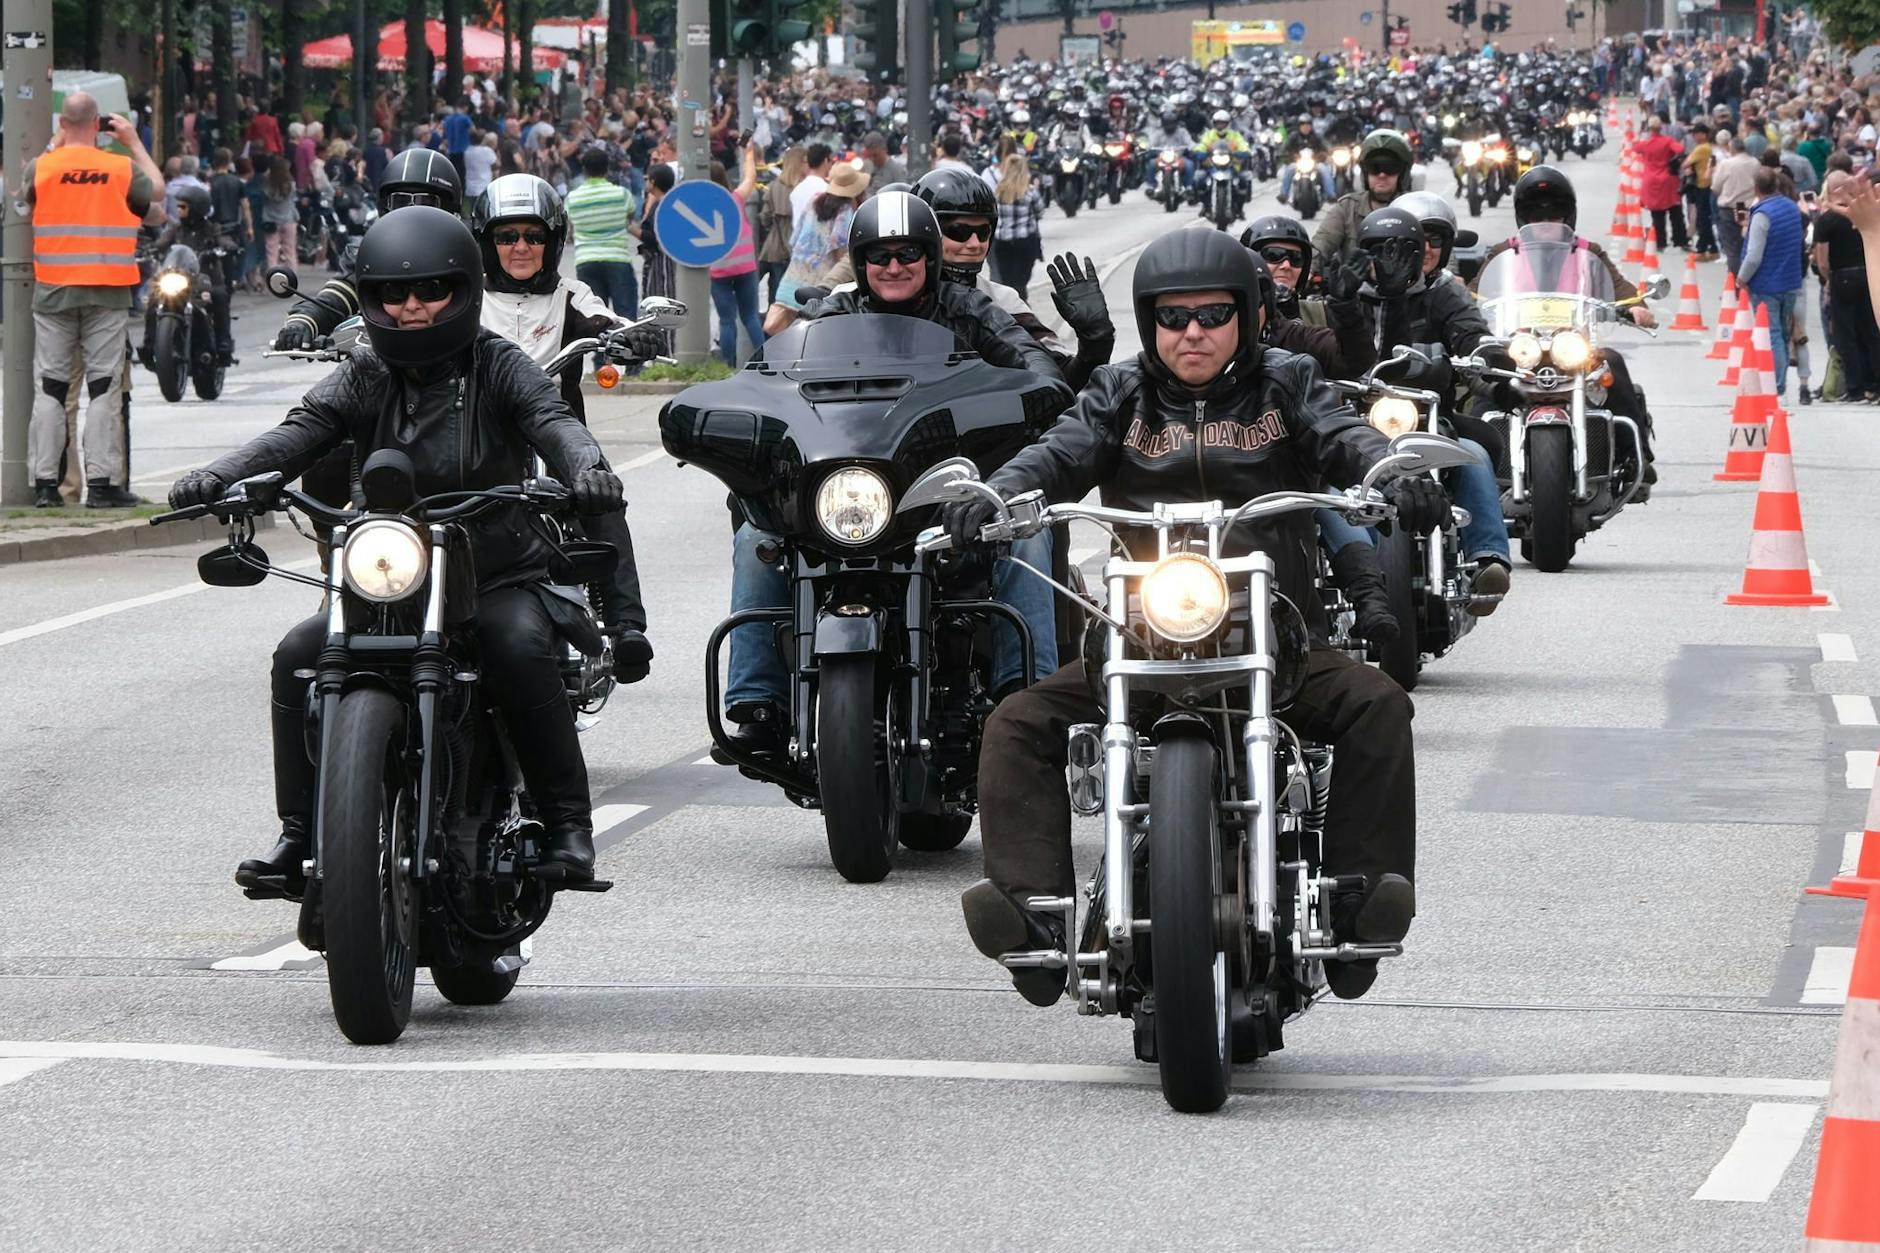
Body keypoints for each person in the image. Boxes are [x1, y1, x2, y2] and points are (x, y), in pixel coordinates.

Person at [948, 229, 1445, 1005]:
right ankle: (1034, 918)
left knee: (1377, 703)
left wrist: (1391, 465)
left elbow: (1343, 435)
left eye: (1213, 314)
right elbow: (1059, 450)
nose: (1193, 332)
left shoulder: (1289, 381)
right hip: (1138, 634)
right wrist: (991, 492)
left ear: (1245, 315)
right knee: (1016, 719)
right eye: (1173, 317)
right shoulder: (1119, 393)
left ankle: (1356, 902)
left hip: (1274, 637)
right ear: (1149, 322)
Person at [167, 207, 625, 890]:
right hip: (392, 573)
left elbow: (554, 422)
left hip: (496, 571)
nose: (411, 307)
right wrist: (223, 477)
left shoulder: (499, 364)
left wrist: (584, 468)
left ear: (464, 290)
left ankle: (567, 824)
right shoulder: (366, 371)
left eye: (430, 290)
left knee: (516, 647)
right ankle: (301, 832)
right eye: (392, 294)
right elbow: (296, 433)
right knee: (299, 653)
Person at [719, 193, 1074, 759]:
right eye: (879, 255)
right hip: (853, 491)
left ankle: (1025, 701)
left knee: (1026, 537)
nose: (893, 266)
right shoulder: (833, 316)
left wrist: (1020, 399)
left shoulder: (972, 310)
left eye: (907, 253)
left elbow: (1038, 371)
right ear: (860, 261)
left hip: (948, 490)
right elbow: (767, 379)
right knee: (756, 539)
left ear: (929, 257)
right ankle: (760, 704)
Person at [470, 174, 659, 682]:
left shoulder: (570, 294)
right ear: (487, 242)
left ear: (552, 242)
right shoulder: (464, 297)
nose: (521, 247)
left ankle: (625, 629)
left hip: (554, 433)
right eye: (507, 237)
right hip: (474, 431)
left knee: (600, 491)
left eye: (533, 236)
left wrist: (628, 338)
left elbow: (604, 321)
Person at [24, 91, 166, 509]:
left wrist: (55, 144)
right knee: (103, 388)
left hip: (53, 292)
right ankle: (102, 487)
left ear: (63, 123)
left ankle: (46, 486)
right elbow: (156, 193)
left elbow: (24, 194)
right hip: (107, 291)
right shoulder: (119, 168)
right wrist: (133, 141)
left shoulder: (43, 168)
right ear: (98, 124)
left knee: (50, 388)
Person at [1476, 166, 1660, 486]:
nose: (1546, 219)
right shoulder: (1503, 252)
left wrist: (1636, 307)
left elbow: (1619, 287)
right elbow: (1476, 291)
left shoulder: (1588, 251)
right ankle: (1475, 464)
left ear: (1568, 215)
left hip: (1573, 345)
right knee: (1485, 375)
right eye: (1536, 211)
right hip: (1520, 348)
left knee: (1612, 363)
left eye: (1555, 211)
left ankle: (1635, 456)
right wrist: (1466, 305)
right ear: (1523, 215)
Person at [916, 167, 1113, 391]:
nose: (974, 244)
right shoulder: (883, 297)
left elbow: (1062, 382)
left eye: (983, 232)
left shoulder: (1002, 301)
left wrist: (1095, 342)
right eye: (958, 231)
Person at [273, 149, 463, 351]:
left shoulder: (465, 252)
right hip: (381, 363)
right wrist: (303, 322)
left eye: (426, 201)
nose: (412, 208)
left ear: (448, 206)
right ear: (385, 206)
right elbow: (337, 296)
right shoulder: (372, 252)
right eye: (400, 200)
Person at [140, 184, 238, 368]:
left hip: (205, 280)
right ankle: (149, 344)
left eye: (182, 207)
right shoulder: (175, 229)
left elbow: (224, 239)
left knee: (220, 296)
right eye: (178, 206)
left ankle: (224, 342)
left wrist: (226, 246)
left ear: (196, 208)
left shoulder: (212, 229)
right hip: (178, 277)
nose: (178, 210)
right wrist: (151, 249)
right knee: (154, 299)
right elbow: (162, 242)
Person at [1737, 167, 1807, 399]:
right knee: (1784, 334)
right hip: (1790, 280)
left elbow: (1754, 254)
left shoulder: (1762, 214)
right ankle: (1781, 377)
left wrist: (1742, 277)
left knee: (1772, 333)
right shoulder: (1792, 208)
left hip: (1767, 283)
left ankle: (1775, 383)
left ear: (1756, 189)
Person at [1813, 172, 1880, 403]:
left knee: (1846, 334)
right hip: (1868, 273)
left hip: (1842, 277)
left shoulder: (1827, 220)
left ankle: (1855, 387)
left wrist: (1827, 278)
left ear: (1830, 190)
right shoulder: (1866, 216)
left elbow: (1822, 259)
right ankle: (1876, 384)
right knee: (1872, 332)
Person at [769, 161, 867, 316]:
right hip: (821, 289)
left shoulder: (815, 201)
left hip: (792, 280)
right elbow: (841, 253)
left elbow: (795, 238)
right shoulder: (845, 211)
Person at [1313, 129, 1415, 269]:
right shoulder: (1347, 207)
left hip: (1407, 288)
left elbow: (1439, 253)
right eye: (1374, 167)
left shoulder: (1416, 208)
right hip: (1352, 287)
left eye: (1390, 167)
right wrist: (1307, 271)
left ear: (1402, 173)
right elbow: (1321, 244)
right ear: (1365, 172)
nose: (1382, 175)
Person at [708, 144, 766, 367]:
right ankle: (764, 362)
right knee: (750, 317)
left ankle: (727, 366)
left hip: (719, 269)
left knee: (726, 320)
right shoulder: (735, 198)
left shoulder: (701, 206)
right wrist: (748, 152)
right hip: (745, 267)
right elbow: (751, 177)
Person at [565, 146, 639, 318]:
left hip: (586, 260)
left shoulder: (572, 199)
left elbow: (570, 224)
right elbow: (630, 216)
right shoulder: (621, 194)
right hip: (618, 259)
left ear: (584, 170)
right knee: (626, 316)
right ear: (607, 168)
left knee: (595, 319)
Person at [991, 153, 1046, 294]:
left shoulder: (997, 191)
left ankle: (1012, 309)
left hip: (1002, 241)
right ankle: (1021, 308)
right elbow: (1040, 212)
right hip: (1025, 241)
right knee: (1021, 281)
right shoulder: (1030, 191)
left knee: (1007, 281)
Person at [755, 146, 804, 305]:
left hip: (773, 248)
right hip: (795, 251)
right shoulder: (804, 188)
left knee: (775, 299)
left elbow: (765, 218)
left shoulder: (774, 186)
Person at [1635, 115, 1689, 251]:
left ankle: (1660, 243)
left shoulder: (1645, 144)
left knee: (1657, 215)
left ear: (1649, 128)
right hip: (1668, 181)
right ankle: (1680, 241)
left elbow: (1635, 147)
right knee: (1676, 213)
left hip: (1651, 181)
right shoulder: (1668, 141)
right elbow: (1680, 149)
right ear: (1661, 128)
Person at [1711, 131, 1761, 273]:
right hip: (1748, 207)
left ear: (1731, 149)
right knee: (1748, 245)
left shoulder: (1726, 164)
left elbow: (1716, 186)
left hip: (1729, 207)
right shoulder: (1755, 163)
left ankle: (1734, 281)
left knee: (1732, 249)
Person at [1681, 121, 1719, 261]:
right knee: (1705, 218)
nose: (1695, 137)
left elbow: (1686, 163)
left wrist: (1687, 166)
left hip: (1702, 185)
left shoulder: (1701, 148)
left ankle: (1702, 248)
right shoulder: (1709, 148)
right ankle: (1712, 247)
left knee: (1703, 219)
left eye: (1697, 134)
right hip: (1709, 185)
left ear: (1704, 135)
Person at [1278, 113, 1334, 207]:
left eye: (1308, 125)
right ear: (1299, 126)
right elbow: (1284, 149)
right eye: (1303, 125)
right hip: (1297, 163)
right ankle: (1284, 194)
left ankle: (1331, 194)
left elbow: (1326, 146)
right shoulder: (1293, 137)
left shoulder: (1317, 136)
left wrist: (1325, 153)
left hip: (1315, 162)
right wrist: (1286, 156)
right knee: (1288, 170)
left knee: (1325, 170)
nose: (1305, 127)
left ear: (1311, 126)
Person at [790, 143, 835, 220]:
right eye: (831, 161)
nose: (832, 165)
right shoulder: (826, 190)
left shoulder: (796, 190)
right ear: (825, 161)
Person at [463, 131, 499, 200]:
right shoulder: (487, 151)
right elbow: (496, 164)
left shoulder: (467, 151)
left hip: (470, 187)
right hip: (484, 186)